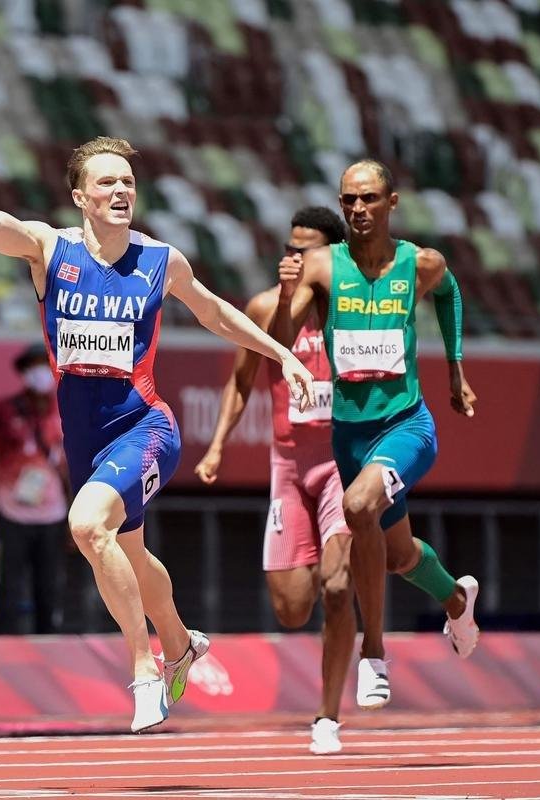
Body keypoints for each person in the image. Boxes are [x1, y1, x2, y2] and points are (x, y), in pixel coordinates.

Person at [0, 111, 316, 733]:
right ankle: (182, 639)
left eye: (128, 183)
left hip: (147, 427)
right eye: (107, 183)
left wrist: (285, 354)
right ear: (80, 195)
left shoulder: (159, 260)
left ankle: (145, 665)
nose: (120, 192)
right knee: (129, 554)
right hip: (86, 441)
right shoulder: (49, 249)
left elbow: (216, 313)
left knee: (86, 526)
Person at [272, 159, 480, 712]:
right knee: (397, 555)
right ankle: (457, 598)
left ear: (392, 202)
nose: (358, 209)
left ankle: (375, 653)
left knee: (360, 505)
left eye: (368, 199)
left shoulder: (420, 262)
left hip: (407, 424)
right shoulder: (320, 266)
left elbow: (451, 292)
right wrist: (285, 296)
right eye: (349, 200)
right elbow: (282, 339)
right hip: (350, 436)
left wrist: (455, 370)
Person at [194, 206, 354, 755]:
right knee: (291, 608)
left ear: (332, 256)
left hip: (342, 462)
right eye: (288, 248)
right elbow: (239, 384)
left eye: (305, 249)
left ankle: (327, 716)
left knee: (337, 589)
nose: (293, 258)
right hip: (287, 466)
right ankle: (349, 564)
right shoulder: (264, 306)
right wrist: (217, 445)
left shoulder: (353, 309)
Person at [0, 341, 69, 634]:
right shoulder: (3, 411)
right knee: (8, 585)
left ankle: (49, 646)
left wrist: (76, 515)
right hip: (11, 511)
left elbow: (70, 466)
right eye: (33, 367)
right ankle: (3, 644)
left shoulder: (65, 410)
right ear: (23, 372)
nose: (39, 373)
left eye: (44, 365)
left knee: (48, 587)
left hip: (52, 513)